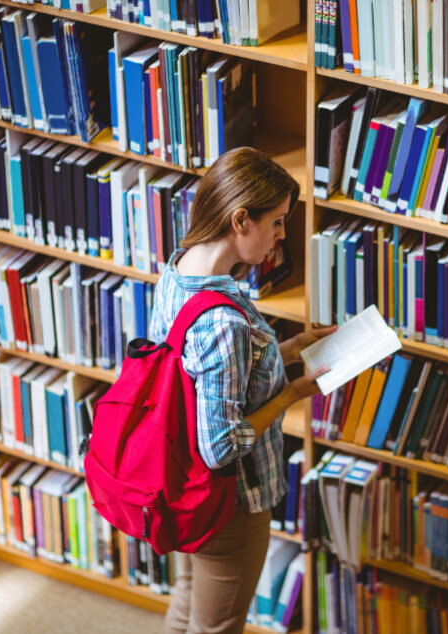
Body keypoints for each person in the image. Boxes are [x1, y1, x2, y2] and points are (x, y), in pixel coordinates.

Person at [151, 147, 334, 634]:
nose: (280, 237)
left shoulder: (180, 269)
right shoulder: (224, 322)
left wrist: (290, 347)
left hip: (180, 482)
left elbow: (199, 377)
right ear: (240, 220)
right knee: (217, 627)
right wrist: (291, 396)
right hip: (229, 503)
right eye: (275, 222)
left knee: (188, 604)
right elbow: (222, 446)